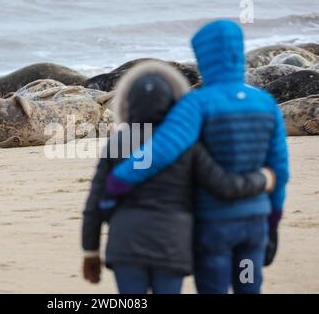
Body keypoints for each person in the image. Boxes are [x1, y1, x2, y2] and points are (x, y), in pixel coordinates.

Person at [102, 20, 290, 294]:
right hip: (255, 222)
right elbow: (279, 170)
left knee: (213, 286)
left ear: (203, 59)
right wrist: (273, 217)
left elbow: (163, 149)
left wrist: (121, 178)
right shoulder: (265, 103)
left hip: (214, 223)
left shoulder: (197, 103)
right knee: (248, 283)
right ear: (239, 54)